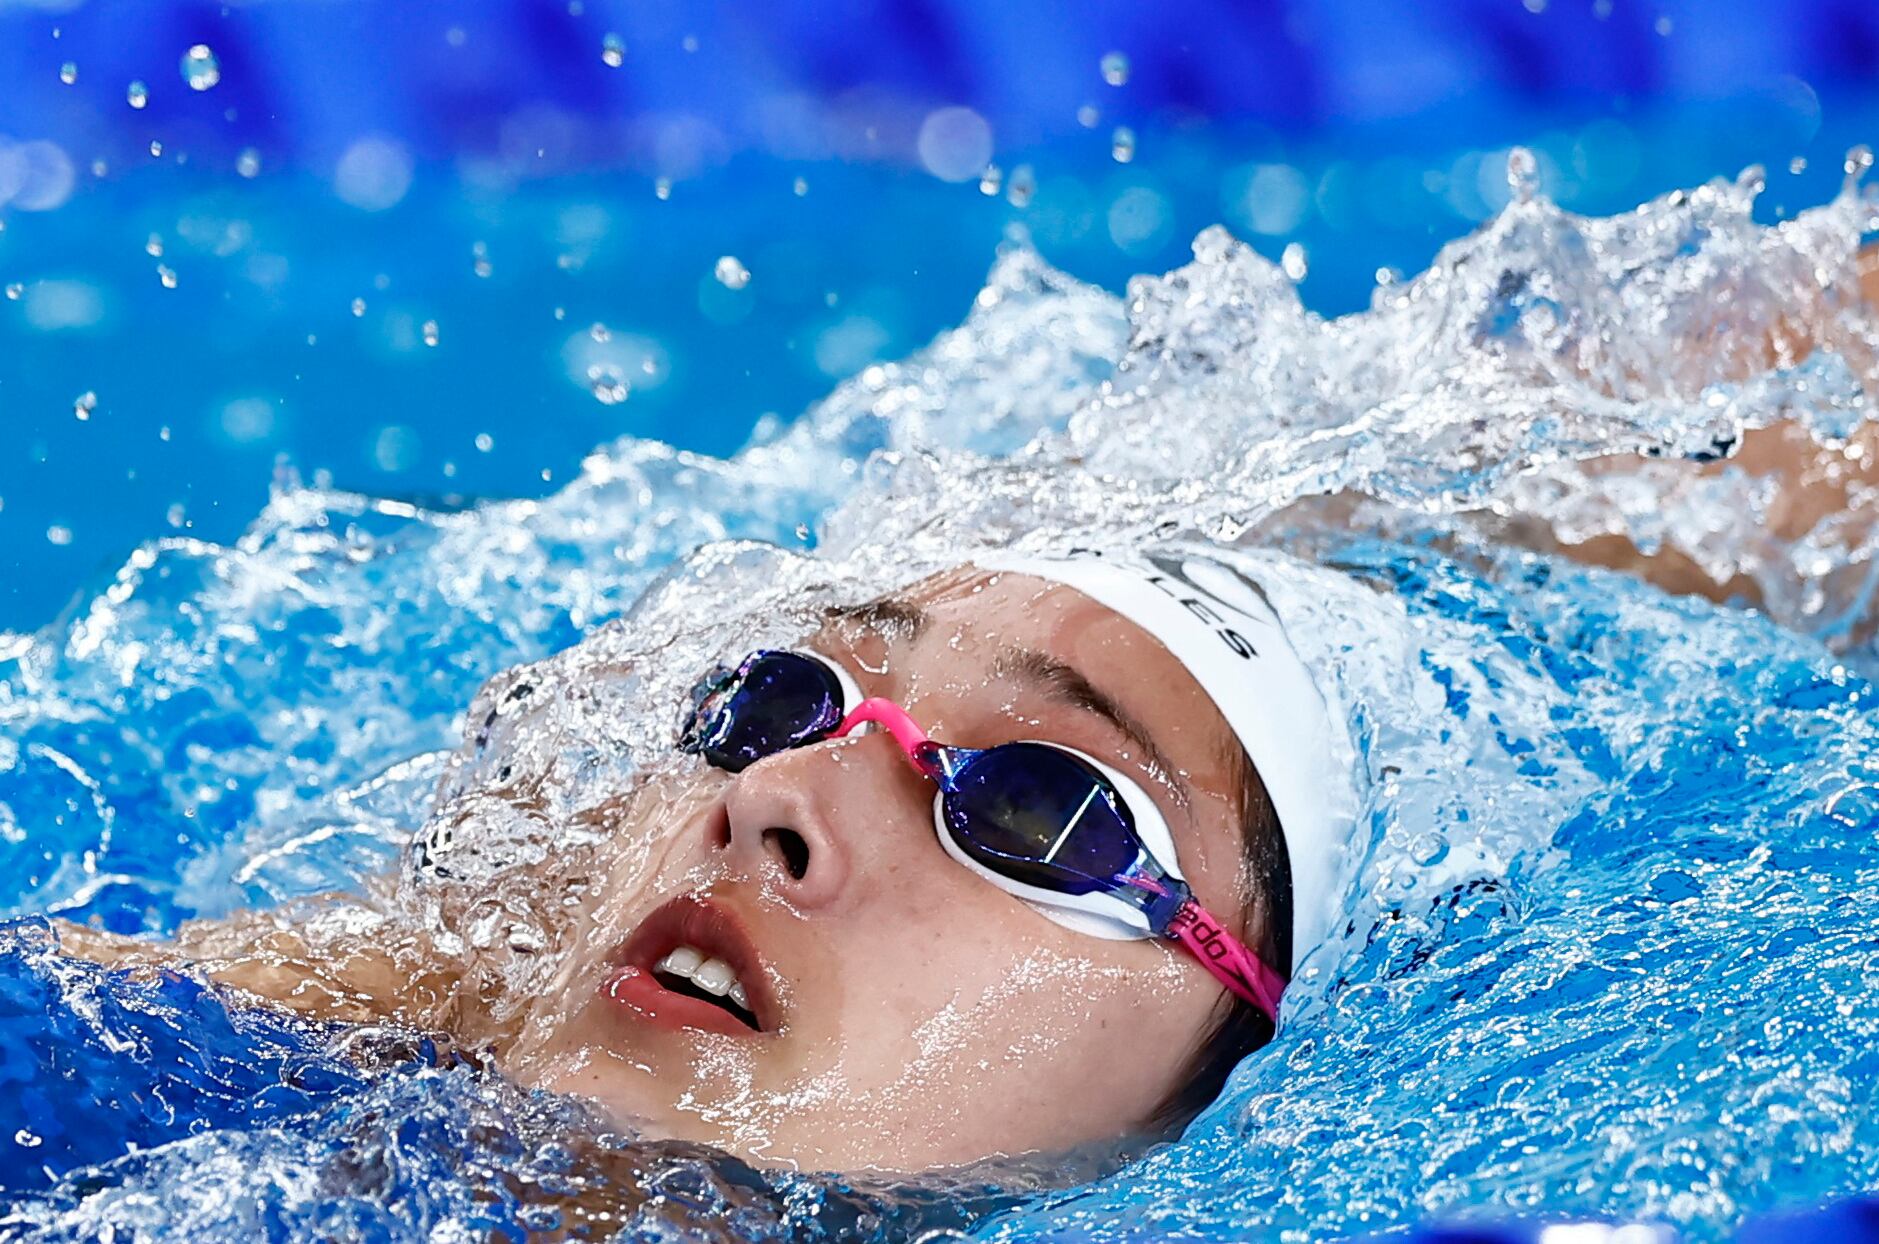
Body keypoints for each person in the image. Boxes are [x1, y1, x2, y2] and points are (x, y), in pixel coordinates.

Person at [53, 541, 1355, 1172]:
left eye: (1036, 808)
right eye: (783, 699)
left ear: (1228, 1082)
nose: (773, 795)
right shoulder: (193, 1065)